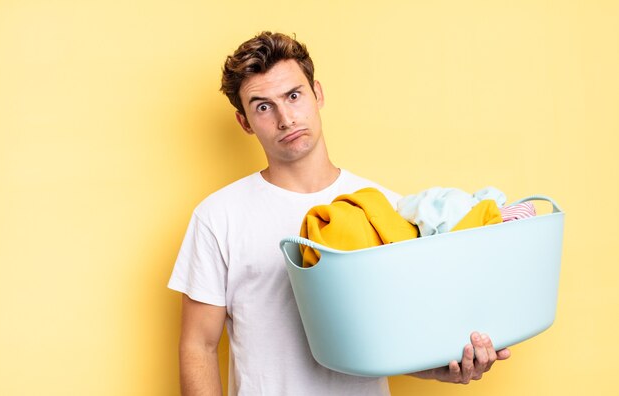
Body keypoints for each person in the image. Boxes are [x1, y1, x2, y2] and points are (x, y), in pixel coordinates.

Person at [168, 31, 511, 396]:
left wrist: (444, 368)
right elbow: (199, 347)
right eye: (263, 106)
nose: (285, 118)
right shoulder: (218, 216)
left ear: (317, 94)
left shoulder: (385, 207)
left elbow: (396, 336)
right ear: (245, 122)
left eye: (294, 96)